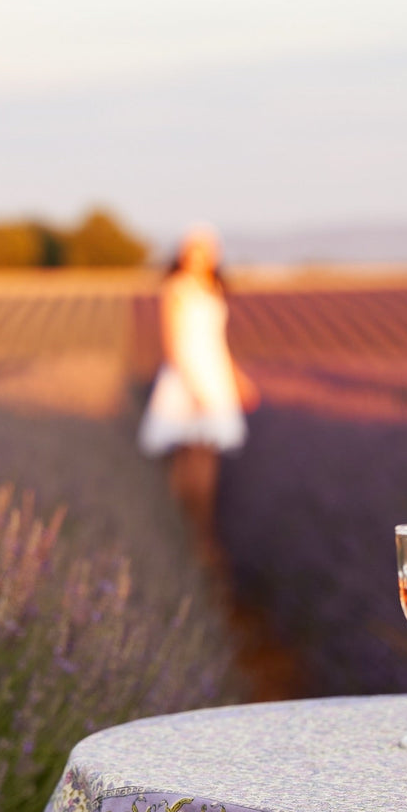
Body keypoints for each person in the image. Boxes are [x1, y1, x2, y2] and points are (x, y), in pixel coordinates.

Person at [138, 226, 257, 566]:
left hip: (213, 374)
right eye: (195, 251)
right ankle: (182, 532)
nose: (201, 257)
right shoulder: (176, 288)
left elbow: (217, 343)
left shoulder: (214, 288)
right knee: (187, 456)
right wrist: (194, 388)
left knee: (207, 457)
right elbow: (173, 343)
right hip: (187, 377)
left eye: (207, 251)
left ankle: (199, 532)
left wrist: (238, 379)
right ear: (184, 254)